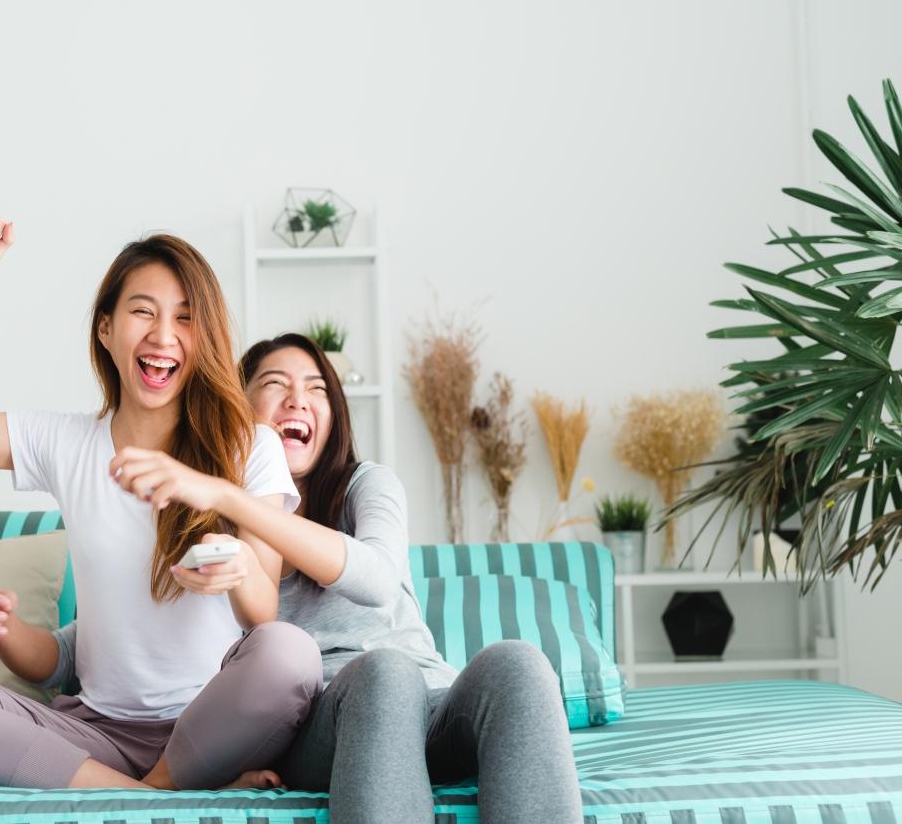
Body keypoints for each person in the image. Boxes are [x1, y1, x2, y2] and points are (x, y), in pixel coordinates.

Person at [0, 216, 322, 791]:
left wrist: (241, 567)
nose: (163, 336)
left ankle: (153, 789)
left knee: (289, 652)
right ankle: (149, 797)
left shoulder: (251, 447)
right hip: (97, 740)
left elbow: (262, 614)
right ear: (106, 328)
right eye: (143, 311)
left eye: (185, 317)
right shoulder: (65, 443)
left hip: (211, 731)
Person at [49, 332, 583, 822]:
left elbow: (377, 579)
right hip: (323, 722)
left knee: (520, 663)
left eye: (316, 388)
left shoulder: (363, 486)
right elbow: (136, 624)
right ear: (236, 408)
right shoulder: (207, 523)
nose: (297, 400)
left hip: (434, 701)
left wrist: (230, 497)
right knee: (385, 675)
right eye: (274, 384)